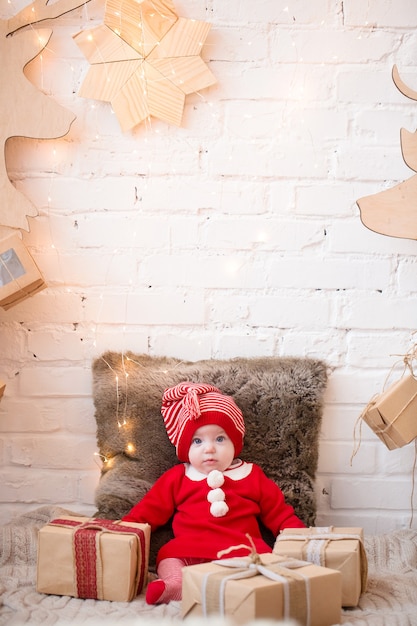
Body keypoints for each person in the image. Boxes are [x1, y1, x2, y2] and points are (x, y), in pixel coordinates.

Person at [122, 381, 306, 605]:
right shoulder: (179, 476)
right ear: (186, 449)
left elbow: (280, 515)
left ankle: (239, 590)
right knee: (169, 558)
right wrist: (123, 531)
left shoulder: (251, 474)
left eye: (220, 439)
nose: (209, 448)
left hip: (241, 550)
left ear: (235, 443)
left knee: (263, 567)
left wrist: (302, 539)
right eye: (197, 441)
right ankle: (176, 584)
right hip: (189, 548)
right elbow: (148, 512)